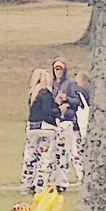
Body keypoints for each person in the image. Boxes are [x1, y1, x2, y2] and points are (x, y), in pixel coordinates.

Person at [21, 67, 62, 195]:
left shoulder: (33, 94)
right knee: (45, 156)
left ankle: (27, 183)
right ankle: (41, 184)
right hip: (46, 127)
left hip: (32, 127)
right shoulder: (46, 93)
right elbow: (48, 111)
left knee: (30, 156)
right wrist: (59, 109)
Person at [49, 58, 83, 192]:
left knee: (68, 152)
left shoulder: (70, 84)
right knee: (55, 153)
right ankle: (54, 180)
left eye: (60, 69)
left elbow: (77, 101)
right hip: (55, 120)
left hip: (68, 120)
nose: (58, 72)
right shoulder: (52, 84)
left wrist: (66, 99)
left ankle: (66, 180)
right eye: (56, 69)